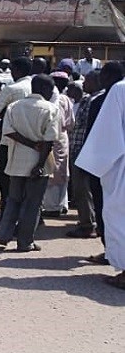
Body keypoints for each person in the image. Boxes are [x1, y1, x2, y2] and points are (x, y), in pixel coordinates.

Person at [0, 75, 59, 253]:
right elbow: (49, 140)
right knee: (32, 204)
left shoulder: (14, 106)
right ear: (45, 89)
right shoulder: (51, 109)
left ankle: (4, 234)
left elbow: (8, 132)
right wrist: (39, 163)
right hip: (39, 162)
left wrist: (28, 143)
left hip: (16, 161)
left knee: (13, 199)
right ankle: (25, 242)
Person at [75, 78, 125, 288]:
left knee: (120, 217)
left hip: (122, 167)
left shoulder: (120, 90)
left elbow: (108, 133)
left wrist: (92, 165)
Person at [0, 56, 34, 216]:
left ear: (18, 70)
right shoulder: (36, 86)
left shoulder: (11, 88)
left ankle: (6, 212)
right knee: (29, 178)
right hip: (33, 138)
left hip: (10, 139)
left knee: (7, 177)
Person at [66, 72, 99, 238]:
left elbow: (79, 123)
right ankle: (91, 220)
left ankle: (87, 224)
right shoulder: (95, 98)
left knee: (81, 189)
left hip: (81, 149)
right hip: (87, 150)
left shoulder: (91, 101)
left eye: (87, 81)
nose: (84, 84)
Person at [42, 72, 75, 216]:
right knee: (61, 170)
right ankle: (62, 204)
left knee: (52, 169)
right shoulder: (66, 99)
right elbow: (71, 122)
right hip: (63, 137)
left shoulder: (53, 100)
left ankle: (52, 207)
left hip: (53, 135)